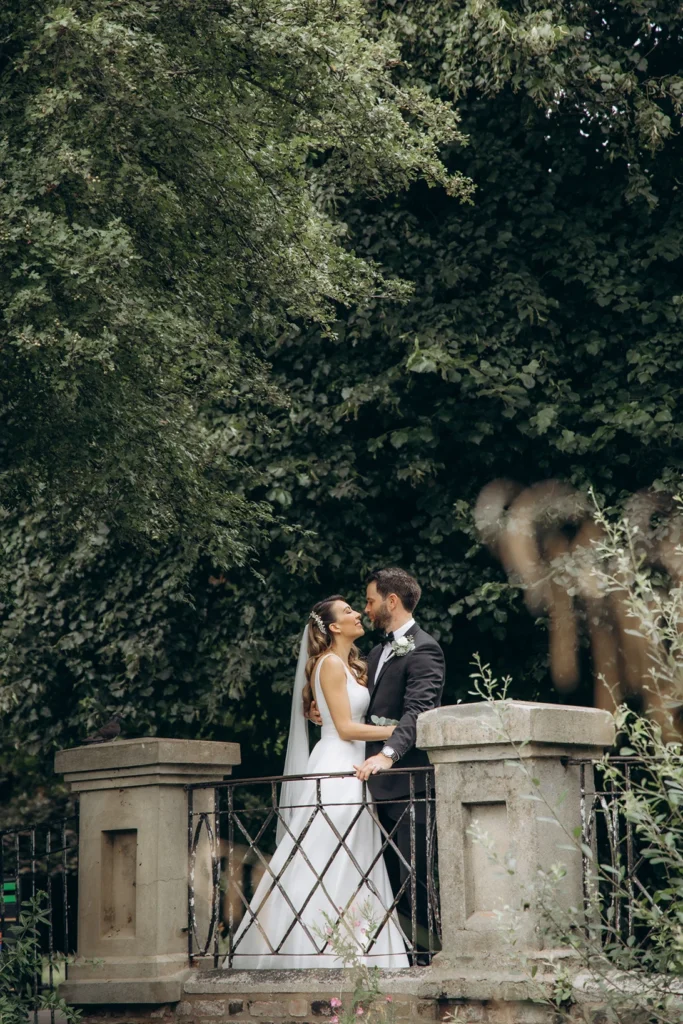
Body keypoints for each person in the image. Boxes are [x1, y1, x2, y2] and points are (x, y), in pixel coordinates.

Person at [226, 596, 409, 969]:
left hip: (356, 766)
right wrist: (402, 730)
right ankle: (313, 951)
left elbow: (334, 713)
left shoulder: (353, 665)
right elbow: (343, 728)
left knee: (354, 857)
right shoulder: (328, 664)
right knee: (324, 856)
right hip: (337, 766)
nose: (357, 613)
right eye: (347, 612)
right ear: (334, 628)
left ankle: (359, 949)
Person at [308, 568, 445, 959]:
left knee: (413, 878)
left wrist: (388, 754)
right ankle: (384, 955)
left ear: (391, 601)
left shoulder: (425, 649)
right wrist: (320, 710)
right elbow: (350, 701)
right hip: (364, 783)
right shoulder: (372, 653)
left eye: (368, 601)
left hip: (405, 784)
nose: (364, 610)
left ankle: (424, 960)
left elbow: (418, 712)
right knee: (373, 875)